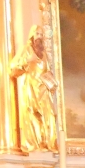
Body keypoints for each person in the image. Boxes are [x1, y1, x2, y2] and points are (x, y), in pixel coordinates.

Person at [10, 25, 58, 153]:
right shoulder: (26, 50)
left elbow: (46, 71)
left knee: (49, 114)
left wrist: (51, 80)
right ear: (32, 35)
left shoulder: (44, 55)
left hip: (44, 90)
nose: (39, 37)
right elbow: (13, 70)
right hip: (31, 89)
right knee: (33, 114)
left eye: (41, 34)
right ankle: (35, 145)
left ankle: (48, 144)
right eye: (37, 34)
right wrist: (27, 60)